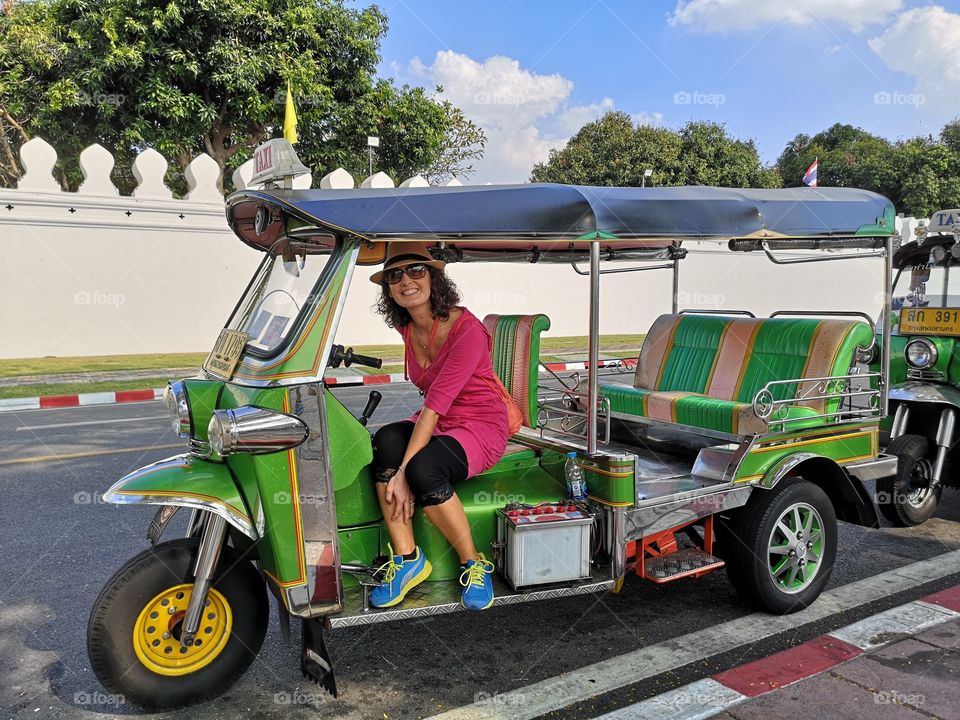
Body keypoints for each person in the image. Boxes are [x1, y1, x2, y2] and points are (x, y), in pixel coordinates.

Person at [368, 241, 510, 610]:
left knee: (421, 469)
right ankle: (408, 558)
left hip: (480, 424)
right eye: (394, 275)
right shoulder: (408, 327)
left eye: (416, 270)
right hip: (440, 419)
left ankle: (474, 562)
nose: (406, 281)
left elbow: (434, 406)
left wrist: (400, 475)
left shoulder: (467, 330)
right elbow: (430, 409)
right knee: (384, 440)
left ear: (433, 278)